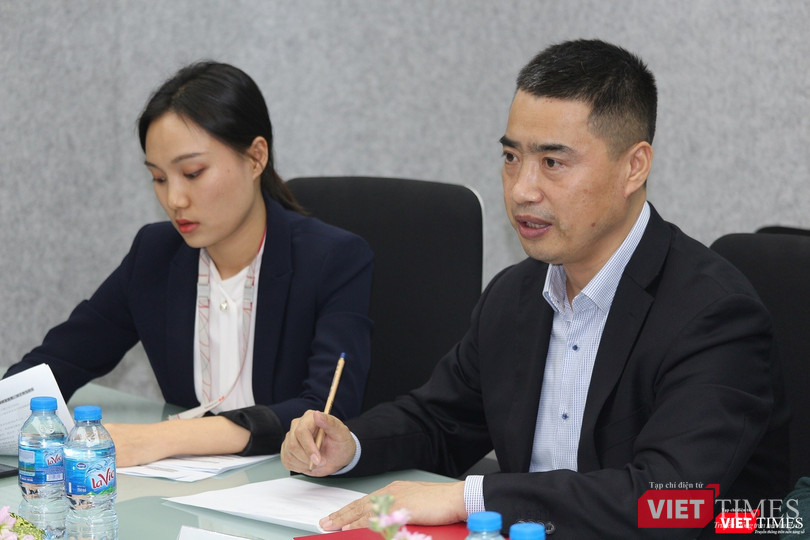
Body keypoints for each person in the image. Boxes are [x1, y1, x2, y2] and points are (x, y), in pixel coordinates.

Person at [280, 40, 789, 538]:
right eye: (511, 157)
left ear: (633, 167)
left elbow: (672, 506)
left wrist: (471, 498)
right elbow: (440, 420)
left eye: (552, 162)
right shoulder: (516, 294)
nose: (522, 189)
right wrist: (351, 445)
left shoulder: (714, 313)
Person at [4, 61, 374, 467]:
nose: (174, 199)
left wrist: (162, 438)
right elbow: (60, 360)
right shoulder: (155, 254)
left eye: (193, 173)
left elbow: (326, 414)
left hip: (293, 486)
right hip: (188, 489)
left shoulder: (333, 259)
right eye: (159, 178)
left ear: (256, 158)